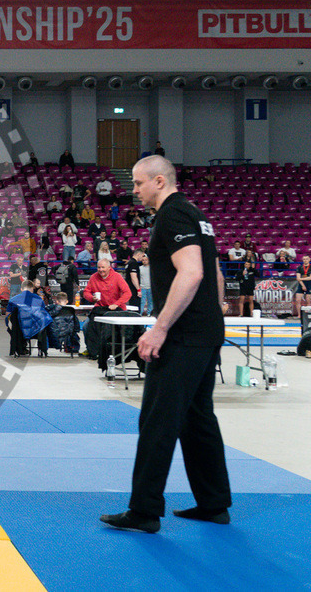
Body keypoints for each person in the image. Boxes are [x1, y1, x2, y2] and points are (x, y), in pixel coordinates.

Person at [102, 154, 230, 534]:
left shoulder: (173, 214)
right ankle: (214, 504)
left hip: (184, 335)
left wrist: (159, 328)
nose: (135, 190)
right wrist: (215, 313)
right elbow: (215, 271)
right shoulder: (197, 215)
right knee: (197, 419)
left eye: (139, 183)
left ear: (160, 181)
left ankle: (144, 510)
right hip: (206, 330)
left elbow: (192, 273)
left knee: (158, 419)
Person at [6, 279, 52, 357]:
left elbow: (8, 316)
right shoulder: (38, 299)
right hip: (36, 330)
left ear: (21, 289)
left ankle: (19, 346)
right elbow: (42, 315)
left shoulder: (13, 300)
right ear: (32, 288)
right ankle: (42, 348)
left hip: (18, 330)